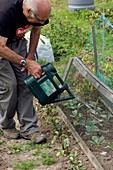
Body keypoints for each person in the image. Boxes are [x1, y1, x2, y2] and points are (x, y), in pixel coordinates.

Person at [0, 0, 51, 144]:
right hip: (1, 45)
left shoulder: (38, 11)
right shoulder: (5, 12)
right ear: (28, 11)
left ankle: (30, 128)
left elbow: (36, 29)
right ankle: (7, 125)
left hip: (17, 41)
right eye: (38, 20)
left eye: (43, 20)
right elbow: (1, 47)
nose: (41, 23)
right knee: (9, 85)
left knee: (27, 82)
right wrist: (26, 63)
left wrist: (30, 57)